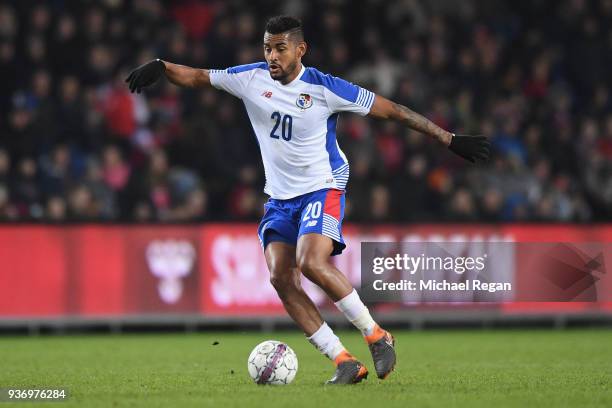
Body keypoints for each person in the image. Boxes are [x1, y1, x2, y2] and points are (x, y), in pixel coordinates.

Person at [126, 15, 489, 384]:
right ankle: (344, 360)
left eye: (280, 48)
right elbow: (199, 76)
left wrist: (449, 139)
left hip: (322, 185)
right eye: (267, 47)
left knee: (311, 262)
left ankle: (377, 335)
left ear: (300, 49)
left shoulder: (324, 88)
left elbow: (392, 110)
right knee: (280, 276)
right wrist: (161, 66)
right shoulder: (250, 78)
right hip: (279, 197)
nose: (272, 56)